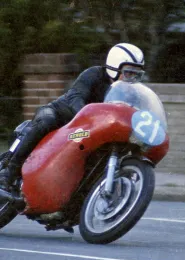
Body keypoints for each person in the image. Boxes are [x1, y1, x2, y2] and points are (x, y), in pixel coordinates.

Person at [0, 43, 145, 195]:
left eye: (137, 75)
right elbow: (76, 95)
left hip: (91, 131)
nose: (132, 79)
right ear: (114, 67)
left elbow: (134, 114)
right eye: (128, 73)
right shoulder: (94, 74)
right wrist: (85, 115)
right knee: (46, 120)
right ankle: (8, 172)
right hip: (63, 116)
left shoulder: (132, 94)